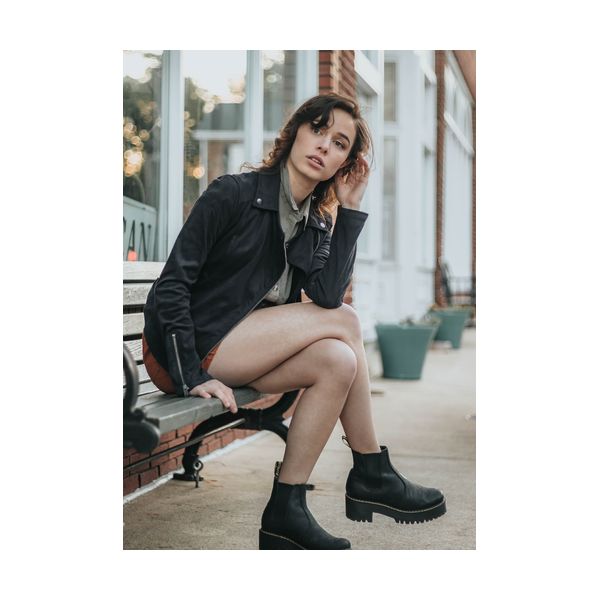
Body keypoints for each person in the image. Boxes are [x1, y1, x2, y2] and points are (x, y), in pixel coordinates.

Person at [142, 93, 446, 550]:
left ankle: (286, 510)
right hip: (186, 349)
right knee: (346, 321)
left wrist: (349, 210)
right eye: (318, 130)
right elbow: (171, 286)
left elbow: (325, 297)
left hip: (243, 350)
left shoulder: (313, 222)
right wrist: (192, 374)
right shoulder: (233, 194)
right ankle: (370, 470)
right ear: (295, 132)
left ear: (344, 164)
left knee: (338, 360)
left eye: (339, 143)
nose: (324, 145)